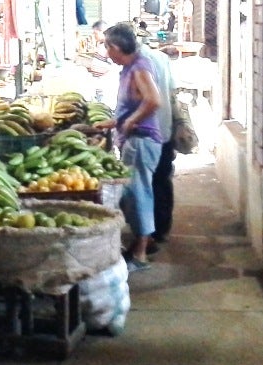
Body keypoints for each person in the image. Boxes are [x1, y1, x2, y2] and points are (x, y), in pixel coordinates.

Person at [93, 22, 163, 272]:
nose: (106, 53)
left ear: (115, 47)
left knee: (137, 195)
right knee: (134, 195)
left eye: (106, 47)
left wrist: (131, 122)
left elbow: (154, 101)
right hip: (135, 139)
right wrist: (112, 123)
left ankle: (141, 255)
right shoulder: (130, 67)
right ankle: (142, 240)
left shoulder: (139, 67)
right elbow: (132, 108)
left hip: (142, 141)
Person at [140, 46, 176, 246]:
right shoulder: (162, 58)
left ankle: (149, 234)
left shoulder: (137, 63)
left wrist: (128, 122)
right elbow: (172, 90)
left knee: (147, 184)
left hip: (147, 131)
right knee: (162, 179)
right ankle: (162, 229)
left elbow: (150, 101)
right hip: (165, 126)